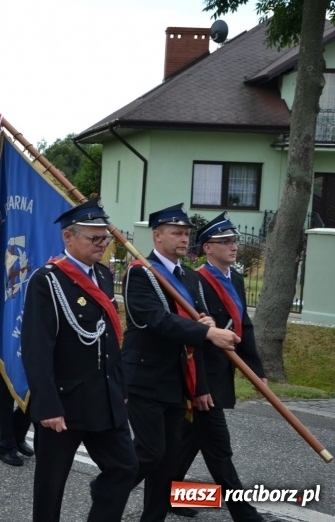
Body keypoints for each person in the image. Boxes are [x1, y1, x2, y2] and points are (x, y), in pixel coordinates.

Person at [21, 198, 138, 522]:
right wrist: (46, 405)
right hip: (65, 400)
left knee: (126, 467)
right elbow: (36, 348)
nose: (102, 244)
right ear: (68, 237)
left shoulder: (101, 276)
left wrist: (120, 386)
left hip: (103, 397)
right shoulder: (47, 281)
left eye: (105, 238)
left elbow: (110, 338)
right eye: (94, 238)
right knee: (50, 486)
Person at [122, 203, 239, 522]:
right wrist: (206, 331)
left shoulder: (188, 276)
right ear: (157, 236)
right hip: (144, 377)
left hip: (178, 381)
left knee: (168, 460)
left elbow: (198, 331)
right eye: (176, 233)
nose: (184, 239)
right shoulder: (140, 271)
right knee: (150, 451)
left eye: (187, 233)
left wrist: (200, 386)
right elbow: (156, 320)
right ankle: (110, 491)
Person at [171, 213, 267, 521]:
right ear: (207, 248)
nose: (233, 246)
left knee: (190, 440)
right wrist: (199, 385)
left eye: (234, 241)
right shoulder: (196, 280)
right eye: (224, 242)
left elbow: (244, 326)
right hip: (202, 373)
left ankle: (164, 493)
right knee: (217, 445)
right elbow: (196, 334)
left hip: (223, 369)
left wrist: (256, 369)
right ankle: (243, 512)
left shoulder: (235, 278)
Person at [0, 369, 34, 466]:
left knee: (33, 396)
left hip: (32, 357)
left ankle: (17, 435)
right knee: (6, 397)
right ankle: (5, 446)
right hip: (9, 358)